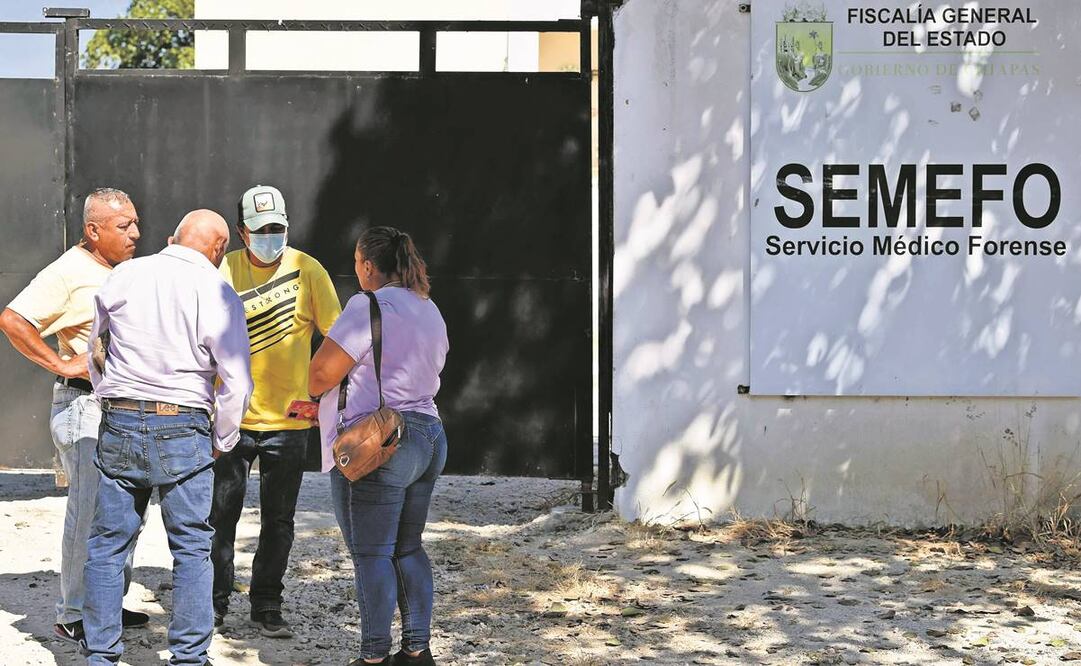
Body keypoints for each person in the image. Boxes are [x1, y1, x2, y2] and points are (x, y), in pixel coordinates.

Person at [82, 210, 253, 665]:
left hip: (120, 418)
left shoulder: (125, 275)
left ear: (172, 237)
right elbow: (237, 382)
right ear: (219, 250)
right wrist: (224, 438)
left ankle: (100, 656)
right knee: (193, 548)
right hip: (183, 421)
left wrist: (107, 397)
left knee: (107, 545)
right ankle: (188, 658)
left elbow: (94, 347)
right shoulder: (218, 291)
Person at [0, 188, 148, 644]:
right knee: (89, 512)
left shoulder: (126, 270)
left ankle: (105, 604)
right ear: (93, 230)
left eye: (135, 223)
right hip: (83, 406)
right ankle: (73, 614)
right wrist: (61, 363)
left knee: (125, 512)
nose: (135, 233)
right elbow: (13, 319)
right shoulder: (69, 271)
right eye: (123, 226)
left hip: (120, 407)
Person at [309, 226, 449, 666]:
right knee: (408, 547)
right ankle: (417, 649)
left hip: (379, 443)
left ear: (368, 266)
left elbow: (319, 375)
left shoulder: (366, 304)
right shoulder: (428, 307)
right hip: (428, 433)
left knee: (371, 554)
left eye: (356, 262)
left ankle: (373, 657)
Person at [210, 185, 342, 636]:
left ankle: (267, 604)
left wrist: (320, 396)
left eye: (278, 228)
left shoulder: (308, 270)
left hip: (289, 424)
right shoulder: (223, 269)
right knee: (219, 517)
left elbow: (339, 339)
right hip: (232, 419)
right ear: (242, 231)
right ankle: (214, 603)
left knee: (279, 521)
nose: (272, 236)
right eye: (262, 229)